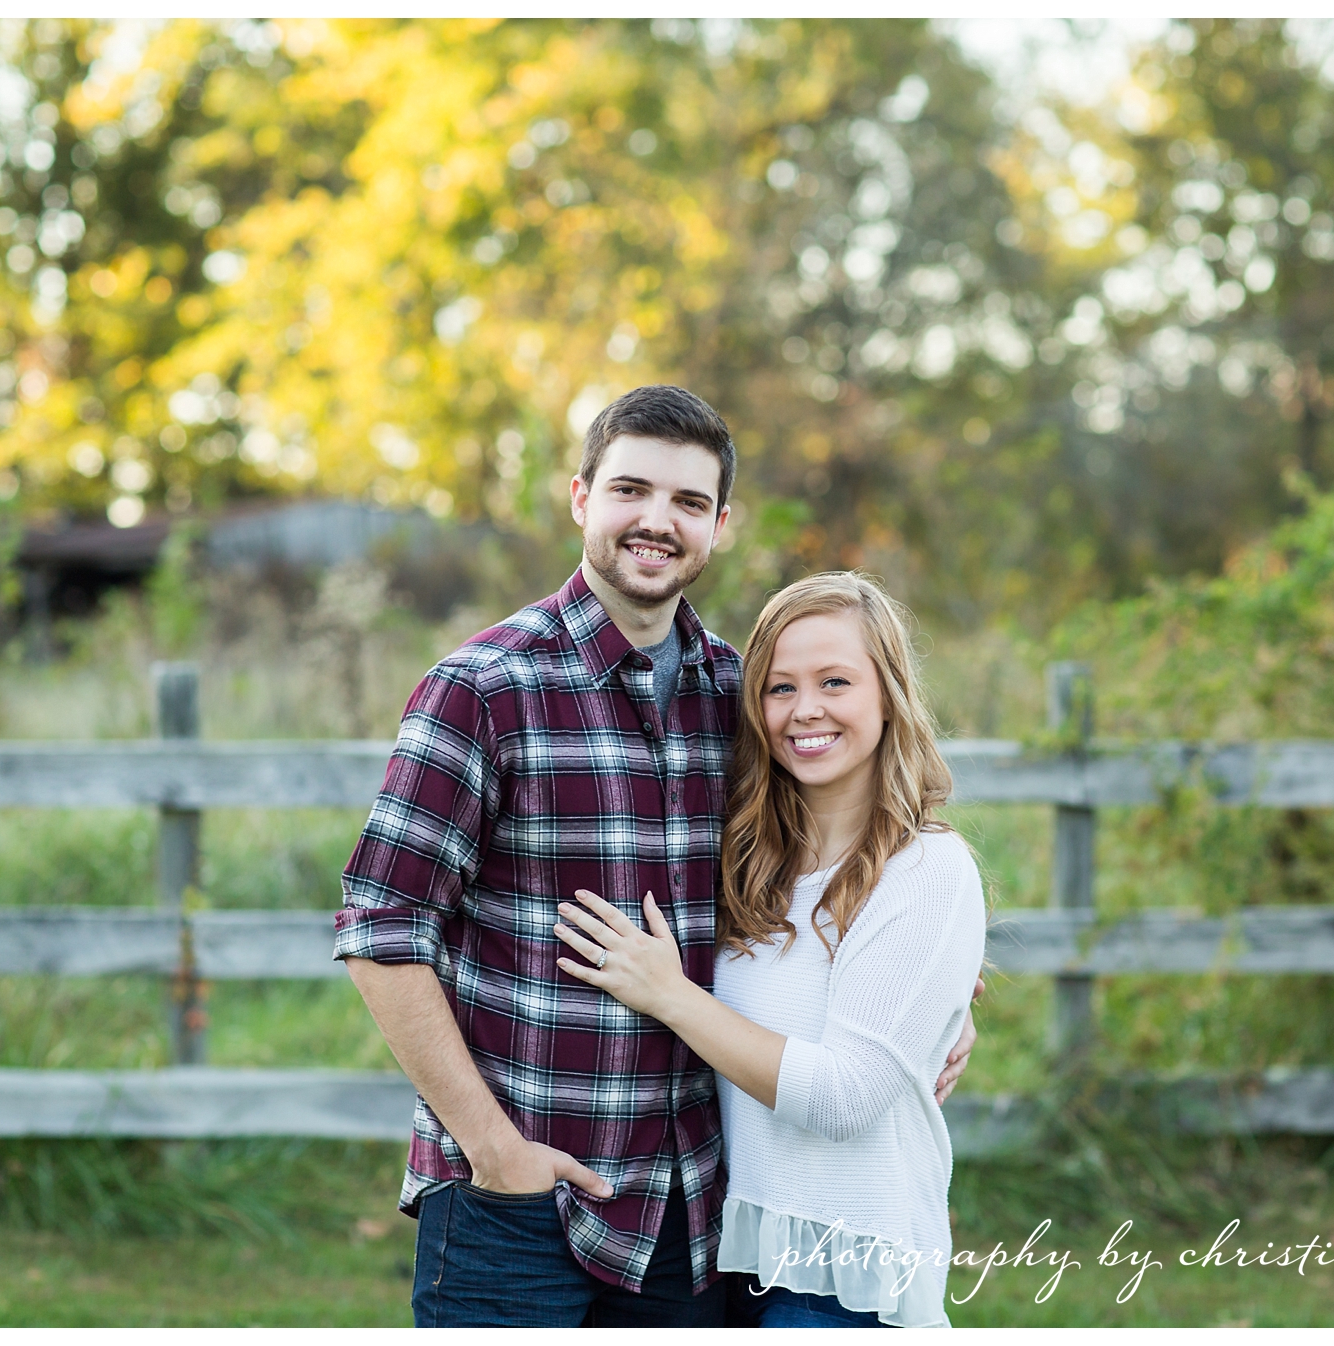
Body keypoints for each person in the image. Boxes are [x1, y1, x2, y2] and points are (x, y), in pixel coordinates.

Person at [333, 385, 977, 1328]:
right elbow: (380, 930)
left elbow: (846, 881)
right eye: (631, 490)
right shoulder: (482, 690)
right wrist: (492, 1147)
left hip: (693, 1214)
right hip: (518, 1198)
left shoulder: (742, 700)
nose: (655, 522)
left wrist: (934, 1011)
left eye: (687, 503)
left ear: (719, 525)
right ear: (580, 498)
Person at [555, 571, 987, 1328]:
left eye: (835, 681)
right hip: (736, 1261)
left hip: (848, 1281)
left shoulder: (925, 868)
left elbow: (844, 1098)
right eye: (780, 688)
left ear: (888, 693)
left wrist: (670, 995)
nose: (805, 710)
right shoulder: (754, 864)